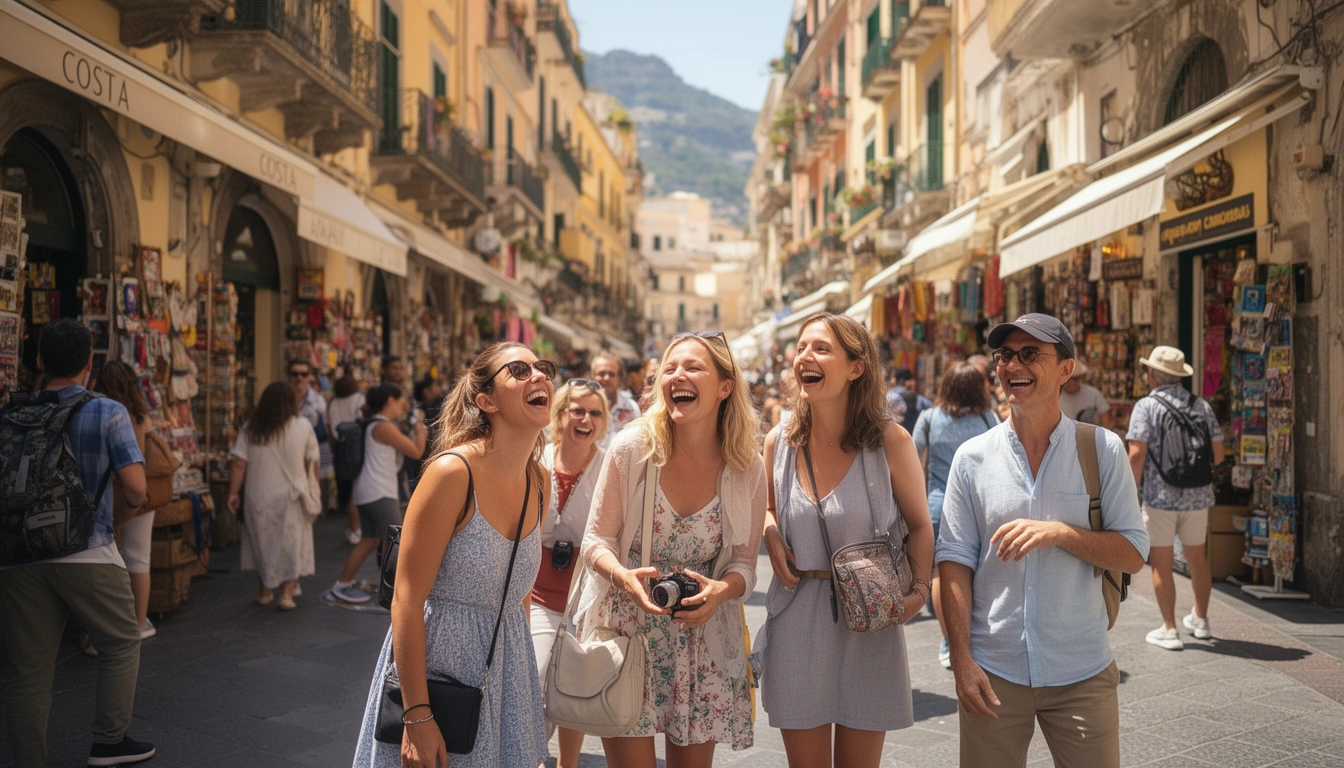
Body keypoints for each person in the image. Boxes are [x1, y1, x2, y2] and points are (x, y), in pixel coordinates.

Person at [937, 314, 1148, 768]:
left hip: (1081, 670)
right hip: (993, 669)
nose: (1014, 365)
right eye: (1005, 355)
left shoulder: (1103, 450)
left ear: (1065, 370)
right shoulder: (972, 459)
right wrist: (961, 657)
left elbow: (1133, 553)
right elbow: (953, 562)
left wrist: (1060, 534)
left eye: (1030, 354)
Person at [353, 343, 552, 767]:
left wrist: (523, 693)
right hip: (439, 674)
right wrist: (417, 715)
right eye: (519, 370)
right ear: (486, 401)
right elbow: (406, 599)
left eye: (543, 368)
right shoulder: (451, 473)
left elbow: (519, 596)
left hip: (508, 671)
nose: (539, 376)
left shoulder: (539, 481)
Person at [576, 331, 766, 764]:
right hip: (628, 633)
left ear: (725, 387)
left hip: (703, 639)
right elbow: (596, 540)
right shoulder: (632, 448)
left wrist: (722, 591)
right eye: (671, 367)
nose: (678, 375)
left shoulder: (746, 466)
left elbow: (743, 563)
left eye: (693, 367)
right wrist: (622, 576)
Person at [761, 314, 934, 768]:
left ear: (856, 367)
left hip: (871, 624)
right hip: (797, 617)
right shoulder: (778, 443)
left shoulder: (890, 442)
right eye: (800, 348)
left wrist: (918, 592)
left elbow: (920, 524)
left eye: (821, 348)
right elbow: (767, 508)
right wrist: (769, 530)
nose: (804, 357)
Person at [0, 318, 154, 767]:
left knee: (29, 670)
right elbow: (137, 488)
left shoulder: (10, 414)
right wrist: (114, 520)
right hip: (87, 547)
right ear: (91, 363)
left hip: (18, 556)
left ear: (41, 360)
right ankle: (109, 741)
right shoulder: (107, 411)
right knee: (122, 640)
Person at [531, 379, 609, 768]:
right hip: (537, 593)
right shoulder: (536, 458)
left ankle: (568, 763)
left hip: (587, 595)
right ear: (560, 415)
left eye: (595, 413)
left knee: (573, 683)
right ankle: (530, 752)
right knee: (536, 672)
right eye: (577, 410)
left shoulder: (610, 466)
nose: (585, 419)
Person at [1126, 346, 1225, 650]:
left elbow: (1137, 454)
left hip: (1160, 499)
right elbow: (1218, 456)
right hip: (1198, 498)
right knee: (1198, 559)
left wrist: (1129, 493)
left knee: (1161, 564)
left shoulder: (1146, 406)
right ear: (1180, 376)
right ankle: (1202, 621)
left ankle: (1169, 629)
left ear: (1153, 374)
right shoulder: (1202, 406)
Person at [911, 361, 1000, 670]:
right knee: (977, 573)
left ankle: (949, 640)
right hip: (980, 506)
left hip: (938, 505)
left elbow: (911, 459)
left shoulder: (929, 419)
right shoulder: (988, 418)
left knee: (941, 575)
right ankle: (975, 637)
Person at [328, 383, 427, 604]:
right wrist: (421, 429)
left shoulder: (372, 424)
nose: (403, 409)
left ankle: (343, 584)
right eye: (401, 404)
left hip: (367, 491)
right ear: (390, 401)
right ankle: (391, 593)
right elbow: (416, 451)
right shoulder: (383, 426)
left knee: (371, 540)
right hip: (379, 492)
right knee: (395, 540)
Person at [226, 381, 319, 610]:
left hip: (258, 496)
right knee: (290, 543)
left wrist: (233, 493)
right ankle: (286, 594)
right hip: (291, 496)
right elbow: (313, 462)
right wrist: (312, 487)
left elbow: (238, 464)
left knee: (262, 541)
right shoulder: (302, 426)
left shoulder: (250, 428)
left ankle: (264, 591)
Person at [91, 360, 158, 640]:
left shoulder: (98, 413)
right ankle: (139, 623)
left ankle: (100, 629)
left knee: (104, 559)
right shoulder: (141, 417)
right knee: (139, 558)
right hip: (138, 491)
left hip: (106, 492)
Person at [327, 373, 366, 545]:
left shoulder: (332, 403)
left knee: (346, 488)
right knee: (356, 487)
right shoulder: (359, 399)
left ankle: (353, 526)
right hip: (357, 446)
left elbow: (330, 429)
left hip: (341, 447)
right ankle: (357, 527)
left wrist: (334, 449)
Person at [591, 352, 641, 447]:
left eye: (611, 374)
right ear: (593, 376)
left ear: (619, 378)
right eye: (601, 374)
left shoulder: (631, 408)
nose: (606, 378)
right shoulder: (583, 408)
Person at [1060, 361, 1114, 429]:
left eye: (1075, 379)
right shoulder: (1054, 395)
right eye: (1069, 379)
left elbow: (1105, 417)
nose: (1071, 382)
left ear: (1081, 378)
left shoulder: (1093, 393)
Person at [886, 366, 931, 433]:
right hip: (914, 440)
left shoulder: (889, 396)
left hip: (894, 439)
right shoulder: (921, 400)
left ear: (895, 380)